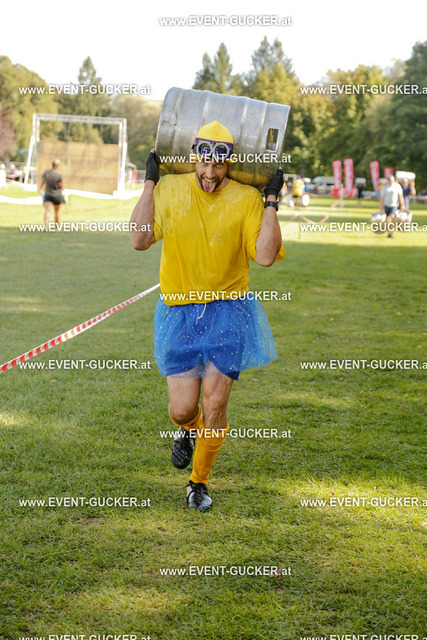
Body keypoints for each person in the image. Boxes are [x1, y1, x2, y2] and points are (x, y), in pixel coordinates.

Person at [130, 121, 284, 512]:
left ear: (230, 162)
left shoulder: (246, 198)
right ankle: (187, 429)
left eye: (219, 165)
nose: (210, 174)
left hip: (228, 310)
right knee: (183, 409)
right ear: (194, 158)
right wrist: (150, 182)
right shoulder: (171, 189)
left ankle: (198, 482)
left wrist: (270, 200)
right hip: (179, 310)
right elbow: (139, 239)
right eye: (204, 163)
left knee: (215, 404)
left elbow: (265, 256)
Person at [39, 159, 64, 228]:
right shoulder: (59, 174)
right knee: (57, 212)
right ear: (58, 165)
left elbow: (43, 182)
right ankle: (57, 226)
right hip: (57, 195)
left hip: (48, 194)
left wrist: (40, 188)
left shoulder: (46, 172)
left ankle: (45, 226)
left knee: (47, 210)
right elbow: (60, 185)